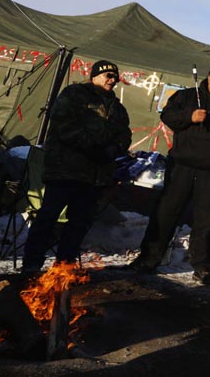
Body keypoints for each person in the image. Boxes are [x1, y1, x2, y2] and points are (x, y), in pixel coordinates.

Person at [132, 63, 210, 284]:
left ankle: (202, 267)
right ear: (208, 78)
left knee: (207, 221)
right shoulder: (187, 96)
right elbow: (168, 116)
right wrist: (190, 116)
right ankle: (148, 260)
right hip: (182, 166)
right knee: (166, 213)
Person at [22, 60, 131, 273]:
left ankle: (64, 267)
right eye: (107, 76)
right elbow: (63, 125)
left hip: (95, 175)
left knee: (79, 222)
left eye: (114, 77)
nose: (112, 80)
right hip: (66, 169)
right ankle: (31, 263)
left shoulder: (117, 108)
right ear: (94, 76)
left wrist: (115, 149)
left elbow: (125, 134)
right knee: (48, 216)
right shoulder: (74, 95)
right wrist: (92, 147)